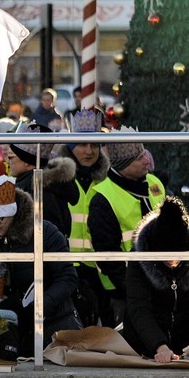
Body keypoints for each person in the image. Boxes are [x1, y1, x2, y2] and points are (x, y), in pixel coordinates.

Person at [0, 175, 81, 355]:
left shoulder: (44, 232)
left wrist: (42, 304)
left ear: (13, 213)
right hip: (9, 331)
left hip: (54, 321)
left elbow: (67, 277)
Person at [88, 127, 165, 328]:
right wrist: (135, 290)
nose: (147, 161)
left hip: (160, 284)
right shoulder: (102, 199)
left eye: (144, 154)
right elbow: (108, 257)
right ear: (123, 165)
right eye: (139, 158)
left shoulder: (154, 183)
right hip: (122, 293)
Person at [123, 197, 189, 362]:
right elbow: (138, 308)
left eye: (177, 257)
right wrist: (160, 346)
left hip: (188, 349)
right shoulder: (139, 260)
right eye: (165, 257)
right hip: (142, 348)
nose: (172, 263)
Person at [54, 109, 109, 327]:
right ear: (70, 147)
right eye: (82, 145)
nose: (88, 151)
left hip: (101, 268)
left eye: (94, 145)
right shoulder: (56, 177)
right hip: (67, 264)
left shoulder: (108, 179)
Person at [7, 123, 78, 237]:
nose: (7, 160)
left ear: (26, 161)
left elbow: (49, 235)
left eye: (11, 157)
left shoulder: (39, 191)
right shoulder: (47, 186)